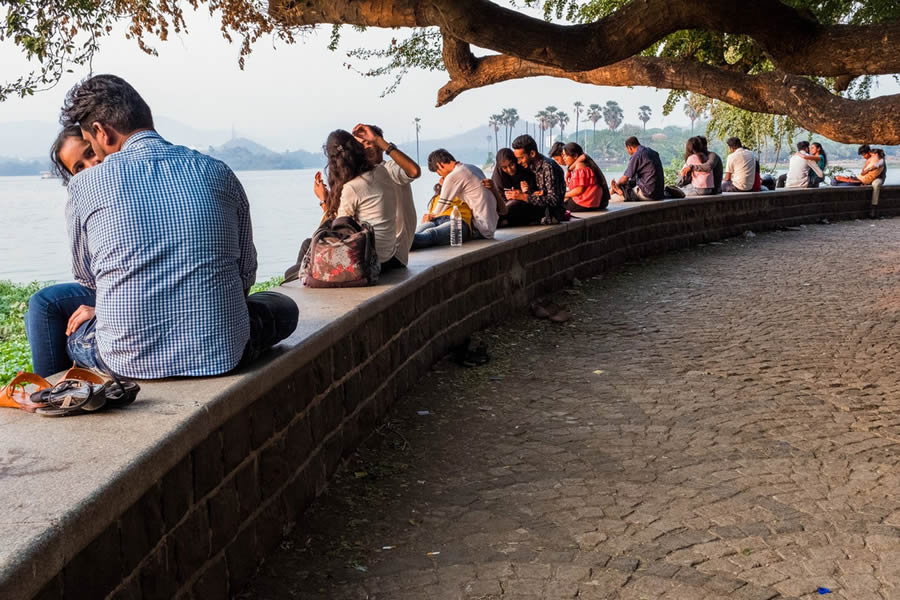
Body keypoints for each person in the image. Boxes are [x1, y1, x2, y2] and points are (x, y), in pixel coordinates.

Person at [56, 74, 298, 379]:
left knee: (76, 336)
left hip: (125, 361)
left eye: (91, 146)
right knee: (283, 308)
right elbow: (245, 275)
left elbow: (89, 279)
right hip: (224, 354)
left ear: (101, 132)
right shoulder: (218, 172)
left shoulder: (83, 186)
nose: (97, 157)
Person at [23, 127, 103, 377]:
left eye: (91, 153)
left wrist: (103, 308)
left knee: (45, 304)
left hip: (127, 294)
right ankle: (58, 390)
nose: (91, 166)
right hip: (112, 289)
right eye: (79, 168)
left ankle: (54, 395)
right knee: (40, 310)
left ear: (102, 140)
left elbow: (87, 277)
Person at [313, 130, 399, 267]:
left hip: (370, 260)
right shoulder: (380, 171)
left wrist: (324, 200)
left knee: (308, 246)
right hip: (389, 255)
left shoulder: (352, 187)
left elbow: (338, 233)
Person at [351, 123, 420, 269]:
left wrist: (380, 142)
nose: (364, 148)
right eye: (359, 146)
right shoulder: (362, 178)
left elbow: (414, 171)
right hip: (373, 250)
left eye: (368, 142)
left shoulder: (390, 169)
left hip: (392, 254)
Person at [412, 149, 498, 248]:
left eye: (439, 173)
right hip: (440, 220)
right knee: (417, 233)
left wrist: (431, 215)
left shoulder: (454, 176)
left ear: (440, 165)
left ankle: (394, 245)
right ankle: (396, 245)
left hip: (469, 224)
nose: (442, 176)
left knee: (430, 234)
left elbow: (441, 206)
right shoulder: (472, 168)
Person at [507, 135, 567, 225]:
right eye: (517, 159)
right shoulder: (530, 166)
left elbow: (554, 200)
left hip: (550, 213)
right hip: (538, 208)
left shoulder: (548, 167)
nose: (519, 162)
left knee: (513, 207)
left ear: (532, 154)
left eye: (521, 158)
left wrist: (523, 196)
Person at [610, 136, 664, 202]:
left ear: (629, 147)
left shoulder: (637, 155)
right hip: (659, 194)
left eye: (627, 150)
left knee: (623, 184)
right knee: (633, 180)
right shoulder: (653, 152)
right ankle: (616, 190)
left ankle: (616, 191)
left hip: (648, 194)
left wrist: (616, 185)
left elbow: (624, 178)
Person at [561, 142, 609, 211]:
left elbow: (579, 190)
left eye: (566, 155)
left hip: (584, 202)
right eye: (563, 156)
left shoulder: (579, 166)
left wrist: (562, 194)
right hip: (594, 202)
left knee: (554, 205)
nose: (564, 158)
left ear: (575, 156)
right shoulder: (586, 164)